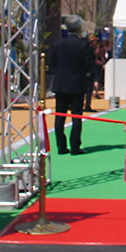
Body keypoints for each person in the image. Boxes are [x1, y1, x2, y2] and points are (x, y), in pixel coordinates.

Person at [46, 14, 94, 155]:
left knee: (60, 115)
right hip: (77, 83)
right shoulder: (83, 44)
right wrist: (83, 73)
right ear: (79, 27)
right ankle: (75, 146)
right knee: (76, 116)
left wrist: (60, 72)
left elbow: (51, 62)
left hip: (61, 83)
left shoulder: (57, 44)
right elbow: (89, 64)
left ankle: (61, 146)